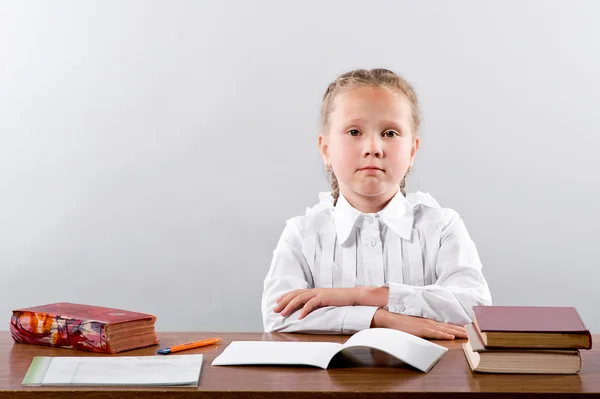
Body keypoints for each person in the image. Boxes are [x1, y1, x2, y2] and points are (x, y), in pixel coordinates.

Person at [262, 68, 492, 339]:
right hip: (328, 381)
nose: (373, 147)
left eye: (390, 133)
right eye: (354, 131)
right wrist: (380, 318)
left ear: (412, 151)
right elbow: (279, 316)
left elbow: (474, 308)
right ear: (326, 150)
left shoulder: (442, 226)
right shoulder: (302, 234)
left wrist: (362, 296)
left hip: (428, 380)